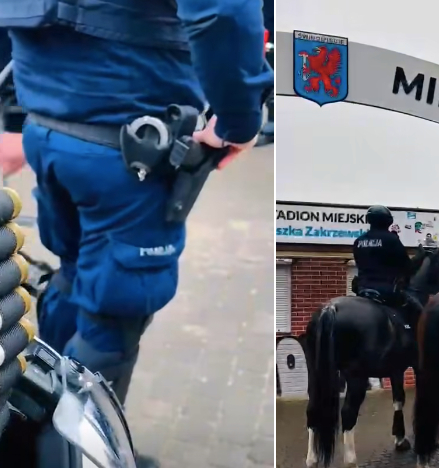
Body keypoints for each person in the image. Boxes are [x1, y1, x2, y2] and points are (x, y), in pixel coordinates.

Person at [0, 0, 273, 427]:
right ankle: (81, 448)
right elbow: (223, 11)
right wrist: (239, 121)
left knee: (74, 276)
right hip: (125, 151)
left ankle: (38, 432)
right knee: (114, 316)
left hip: (47, 130)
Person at [353, 205, 423, 322]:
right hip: (387, 291)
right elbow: (406, 267)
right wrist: (418, 258)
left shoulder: (359, 241)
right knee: (417, 310)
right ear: (388, 221)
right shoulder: (391, 239)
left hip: (362, 289)